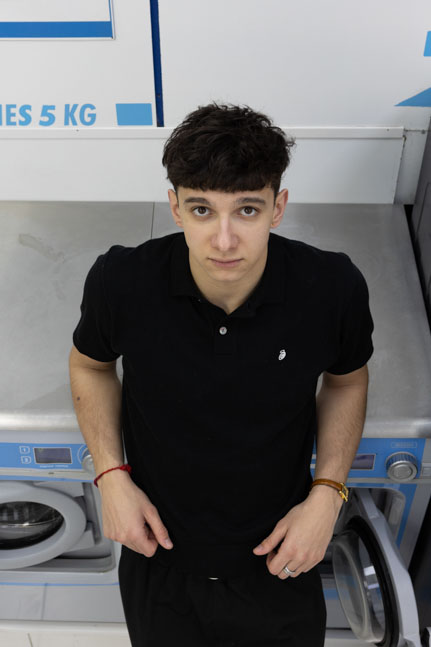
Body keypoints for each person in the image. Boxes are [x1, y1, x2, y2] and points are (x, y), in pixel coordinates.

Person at [69, 102, 374, 647]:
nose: (225, 240)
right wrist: (110, 476)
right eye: (202, 210)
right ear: (175, 208)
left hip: (281, 556)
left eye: (247, 210)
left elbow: (347, 380)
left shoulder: (332, 287)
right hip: (158, 556)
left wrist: (328, 494)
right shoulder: (121, 281)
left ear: (278, 207)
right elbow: (90, 365)